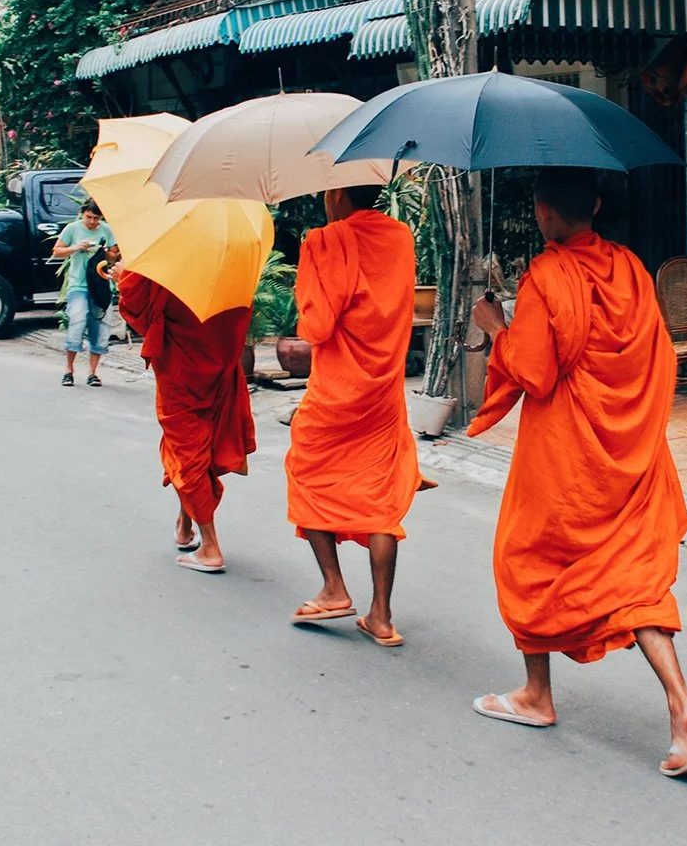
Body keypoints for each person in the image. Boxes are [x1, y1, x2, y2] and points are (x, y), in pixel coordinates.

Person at [466, 167, 687, 779]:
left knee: (524, 559)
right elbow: (656, 353)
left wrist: (495, 328)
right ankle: (682, 705)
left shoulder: (548, 275)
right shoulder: (633, 268)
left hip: (565, 457)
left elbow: (533, 372)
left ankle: (536, 695)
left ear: (542, 212)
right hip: (629, 452)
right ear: (598, 205)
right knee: (632, 581)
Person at [283, 182, 419, 647]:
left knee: (308, 474)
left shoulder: (325, 240)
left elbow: (316, 326)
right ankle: (381, 615)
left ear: (338, 194)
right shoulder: (401, 236)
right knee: (378, 498)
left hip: (337, 392)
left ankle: (334, 589)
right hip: (383, 391)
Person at [113, 267, 255, 574]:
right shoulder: (232, 267)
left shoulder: (167, 261)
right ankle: (185, 525)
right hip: (218, 364)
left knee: (185, 453)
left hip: (181, 370)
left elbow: (137, 311)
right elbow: (242, 317)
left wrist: (123, 277)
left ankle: (210, 547)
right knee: (194, 448)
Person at [51, 200, 116, 386]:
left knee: (100, 327)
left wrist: (104, 252)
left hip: (101, 285)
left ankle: (92, 373)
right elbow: (57, 251)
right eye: (89, 217)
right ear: (82, 214)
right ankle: (69, 370)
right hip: (78, 285)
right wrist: (77, 247)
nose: (92, 222)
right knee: (77, 323)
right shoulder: (72, 229)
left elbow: (114, 255)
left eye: (96, 218)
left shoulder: (107, 230)